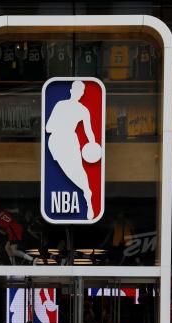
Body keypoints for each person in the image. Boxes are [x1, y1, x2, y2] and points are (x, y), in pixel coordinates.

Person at [45, 80, 98, 220]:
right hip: (57, 143)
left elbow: (89, 131)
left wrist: (93, 145)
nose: (79, 94)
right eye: (78, 90)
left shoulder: (83, 110)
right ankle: (87, 191)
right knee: (71, 172)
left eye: (81, 91)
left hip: (69, 141)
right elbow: (48, 128)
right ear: (71, 91)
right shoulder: (60, 105)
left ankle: (88, 197)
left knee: (78, 170)